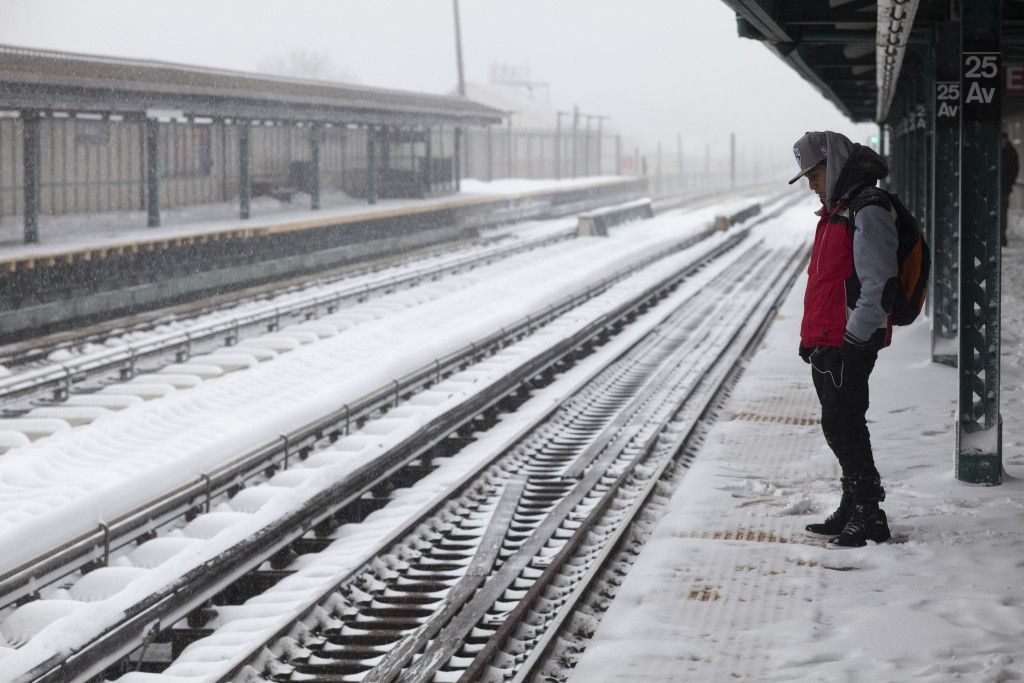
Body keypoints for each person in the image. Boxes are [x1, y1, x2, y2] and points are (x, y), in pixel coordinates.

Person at [790, 131, 898, 547]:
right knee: (841, 423)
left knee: (843, 422)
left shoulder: (867, 209)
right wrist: (811, 338)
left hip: (849, 340)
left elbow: (879, 285)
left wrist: (853, 344)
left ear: (832, 164)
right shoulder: (839, 208)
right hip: (828, 340)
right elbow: (827, 281)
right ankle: (854, 503)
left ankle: (870, 513)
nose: (811, 184)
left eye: (813, 174)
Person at [1001, 132, 1019, 248]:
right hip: (1000, 187)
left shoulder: (1010, 152)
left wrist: (1009, 181)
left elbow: (1015, 168)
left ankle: (1002, 236)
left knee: (1003, 212)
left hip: (1004, 187)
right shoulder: (1009, 151)